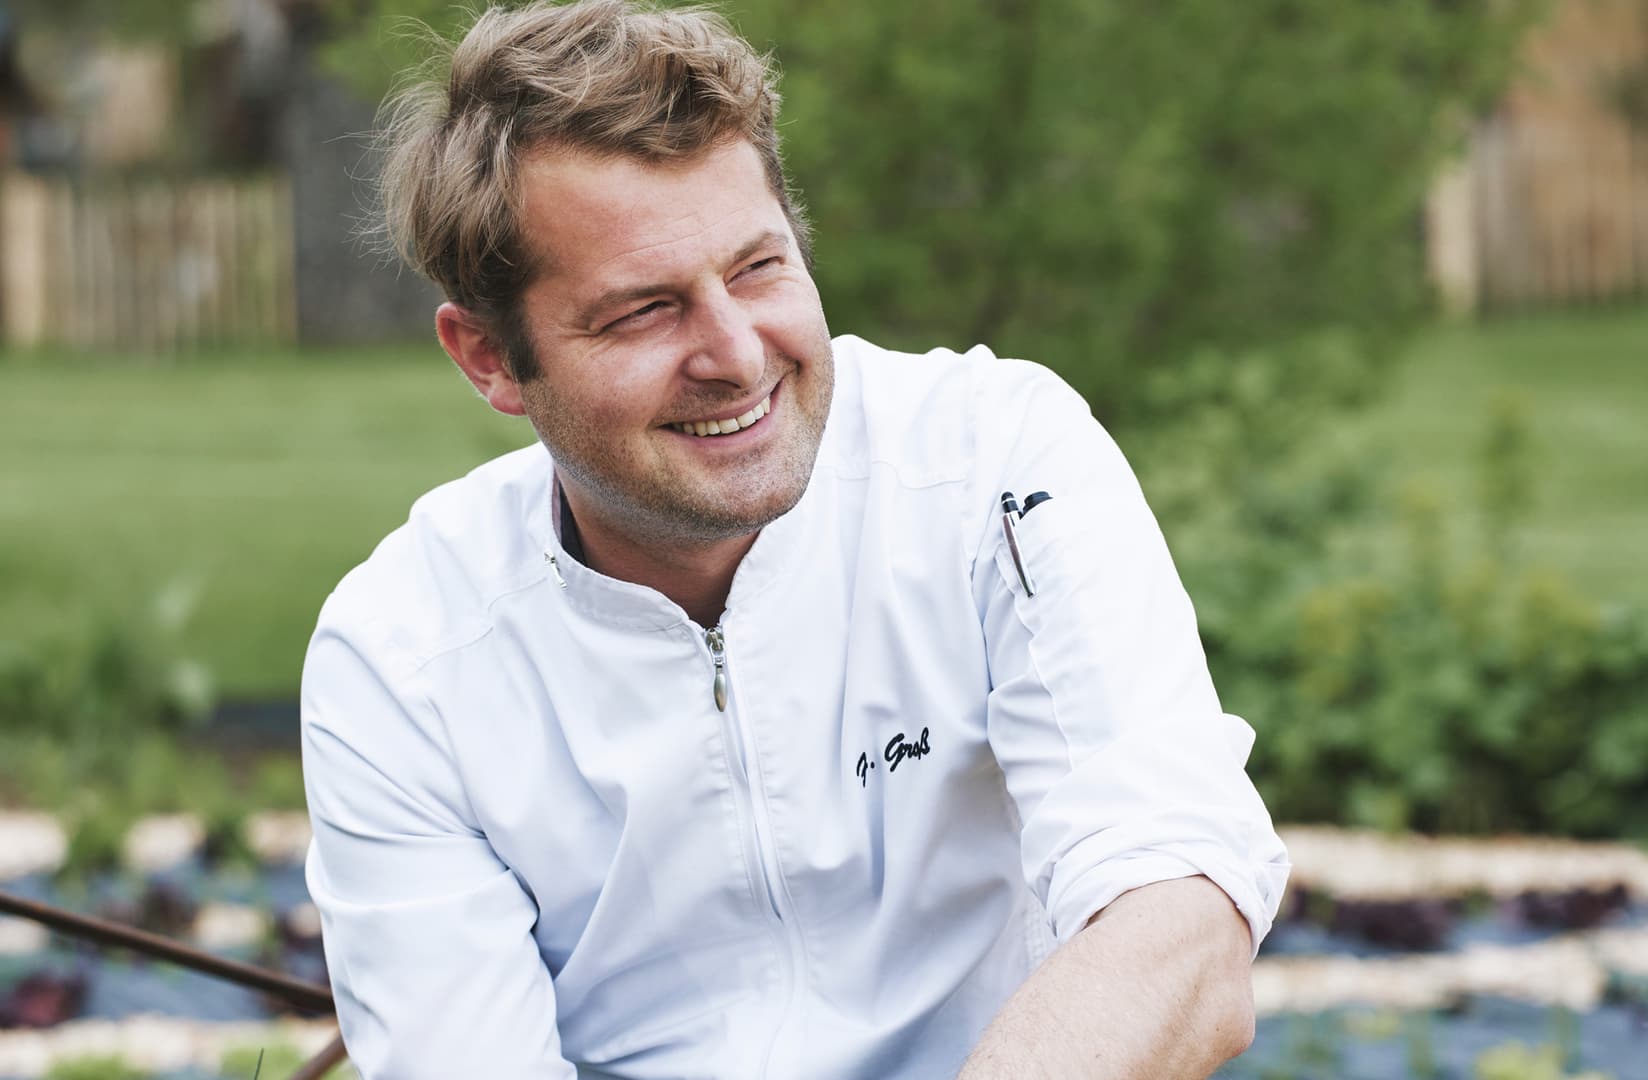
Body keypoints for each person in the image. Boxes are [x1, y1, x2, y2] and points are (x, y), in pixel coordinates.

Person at [299, 1, 1291, 1076]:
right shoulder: (405, 657)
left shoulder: (993, 462)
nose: (736, 354)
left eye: (758, 268)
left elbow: (1180, 919)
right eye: (643, 311)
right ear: (491, 358)